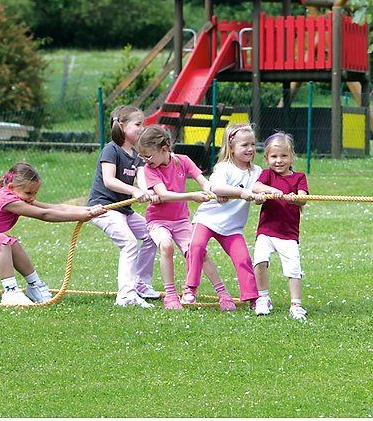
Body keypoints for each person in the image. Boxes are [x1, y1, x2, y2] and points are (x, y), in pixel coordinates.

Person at [0, 161, 106, 305]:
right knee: (1, 242)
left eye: (35, 193)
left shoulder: (15, 195)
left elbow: (54, 207)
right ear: (11, 187)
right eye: (29, 193)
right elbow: (44, 215)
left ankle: (35, 286)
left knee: (10, 242)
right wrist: (80, 216)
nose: (32, 197)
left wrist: (89, 210)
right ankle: (10, 292)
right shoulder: (6, 200)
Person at [137, 125, 235, 311]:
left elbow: (204, 181)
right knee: (166, 246)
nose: (145, 161)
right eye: (142, 156)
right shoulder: (150, 169)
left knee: (197, 252)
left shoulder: (183, 161)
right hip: (158, 221)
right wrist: (192, 196)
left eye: (148, 156)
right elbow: (164, 195)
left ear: (164, 150)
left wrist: (214, 191)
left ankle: (223, 294)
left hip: (180, 221)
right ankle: (171, 295)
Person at [183, 124, 279, 306]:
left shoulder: (257, 172)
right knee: (196, 246)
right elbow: (216, 187)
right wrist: (241, 193)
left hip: (232, 227)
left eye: (252, 144)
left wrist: (260, 198)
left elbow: (258, 190)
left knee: (243, 259)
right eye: (244, 145)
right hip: (207, 220)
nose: (250, 149)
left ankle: (252, 298)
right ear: (232, 147)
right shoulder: (223, 168)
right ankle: (190, 288)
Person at [87, 104, 159, 309]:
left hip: (124, 210)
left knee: (152, 234)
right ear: (121, 125)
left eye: (142, 124)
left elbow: (142, 178)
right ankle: (125, 295)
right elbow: (109, 181)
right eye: (138, 124)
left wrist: (148, 190)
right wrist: (135, 191)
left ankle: (141, 285)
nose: (142, 128)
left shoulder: (137, 154)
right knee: (128, 243)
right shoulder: (111, 150)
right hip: (105, 209)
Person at [252, 132, 310, 320]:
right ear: (267, 158)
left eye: (284, 156)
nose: (279, 161)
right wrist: (270, 192)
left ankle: (296, 305)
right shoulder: (267, 175)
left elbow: (304, 199)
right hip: (267, 231)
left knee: (293, 268)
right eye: (274, 156)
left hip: (288, 234)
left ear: (291, 156)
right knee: (260, 260)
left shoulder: (299, 177)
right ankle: (263, 298)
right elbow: (256, 188)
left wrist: (297, 198)